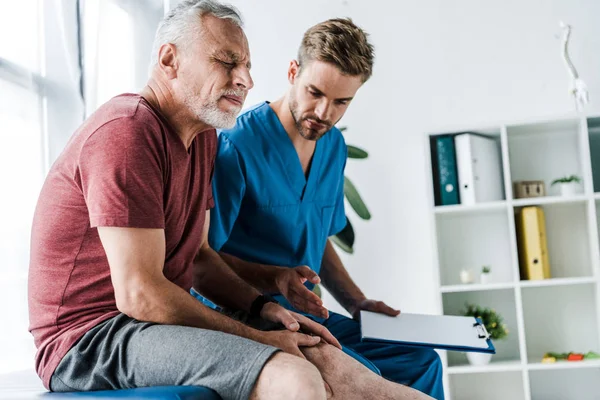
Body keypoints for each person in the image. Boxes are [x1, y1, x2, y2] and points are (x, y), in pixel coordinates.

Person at [28, 1, 433, 399]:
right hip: (92, 337)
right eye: (227, 62)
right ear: (169, 59)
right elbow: (140, 293)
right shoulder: (128, 132)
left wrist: (261, 306)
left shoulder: (202, 137)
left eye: (247, 66)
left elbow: (200, 257)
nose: (245, 80)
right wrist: (259, 335)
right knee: (297, 377)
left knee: (337, 363)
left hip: (151, 322)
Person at [205, 17, 445, 399]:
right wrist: (273, 279)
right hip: (249, 312)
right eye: (314, 92)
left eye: (341, 102)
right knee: (364, 373)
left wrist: (357, 302)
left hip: (310, 314)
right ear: (292, 72)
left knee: (420, 361)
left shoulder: (332, 148)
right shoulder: (238, 147)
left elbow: (317, 235)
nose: (324, 111)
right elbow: (203, 256)